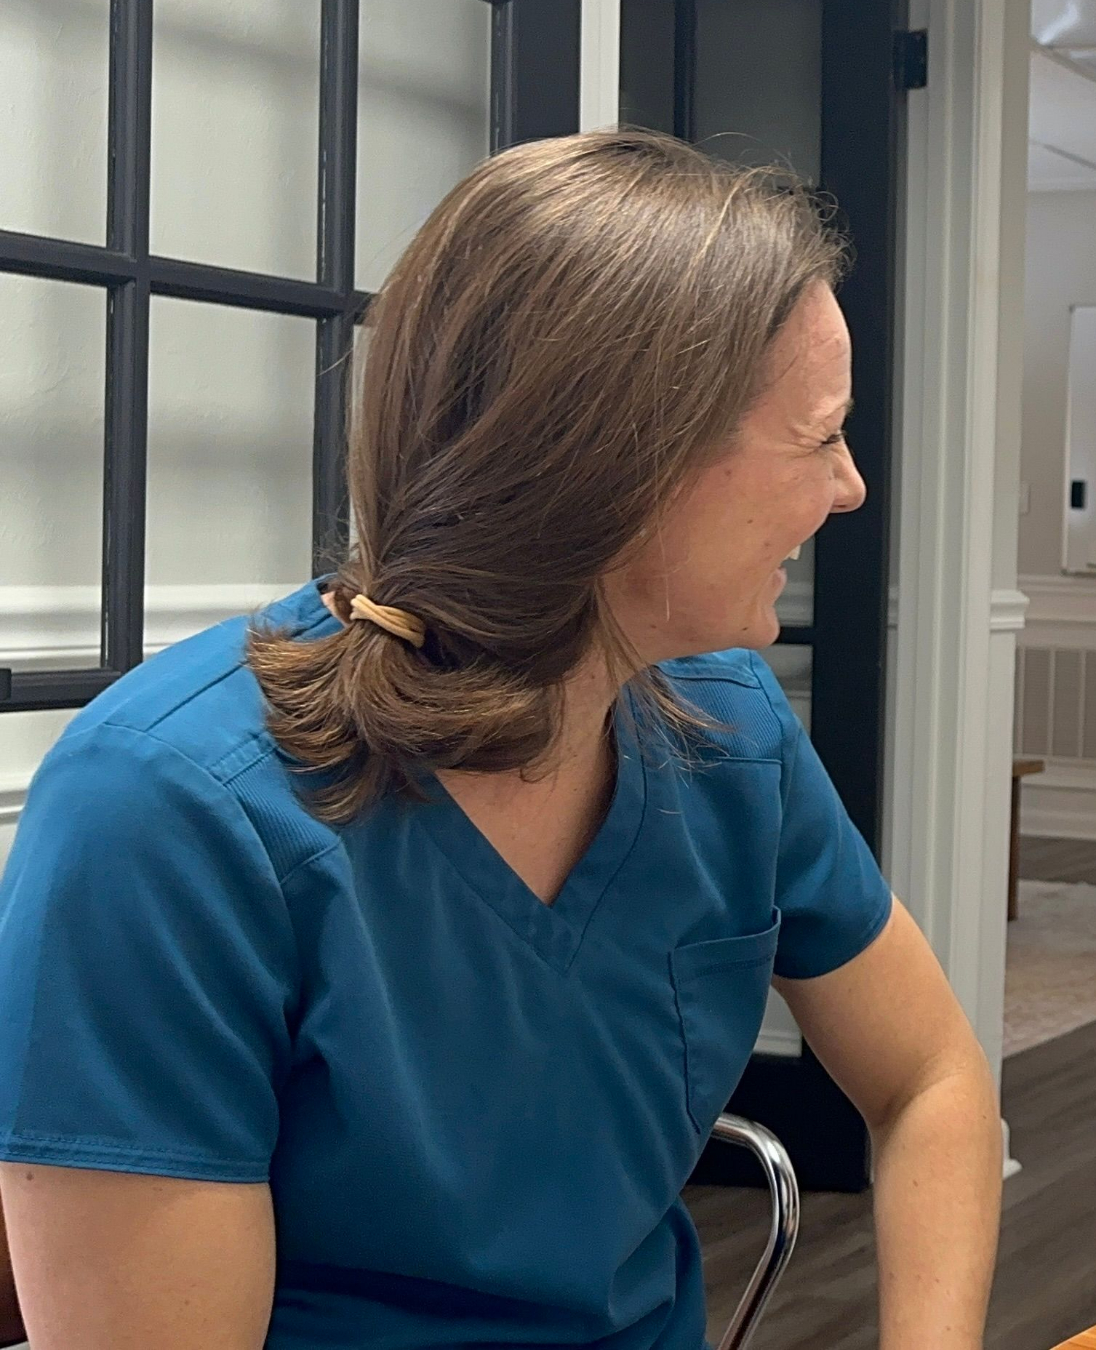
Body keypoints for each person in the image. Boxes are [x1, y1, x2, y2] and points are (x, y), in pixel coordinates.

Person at [0, 131, 1001, 1347]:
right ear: (620, 466)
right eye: (818, 436)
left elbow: (929, 1078)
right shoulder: (165, 812)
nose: (849, 487)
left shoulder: (731, 730)